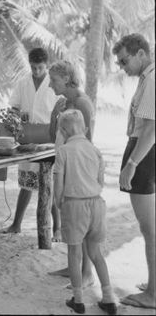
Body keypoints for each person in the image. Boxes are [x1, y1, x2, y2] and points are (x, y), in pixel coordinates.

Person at [53, 109, 117, 315]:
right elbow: (100, 181)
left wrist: (59, 202)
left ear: (63, 130)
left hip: (75, 205)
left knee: (74, 253)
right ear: (85, 129)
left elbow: (58, 181)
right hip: (97, 204)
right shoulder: (95, 150)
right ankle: (108, 298)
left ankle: (78, 299)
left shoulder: (63, 151)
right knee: (96, 253)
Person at [0, 48, 59, 237]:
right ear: (29, 64)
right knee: (26, 182)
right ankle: (16, 224)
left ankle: (57, 227)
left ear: (46, 65)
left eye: (40, 67)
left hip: (48, 137)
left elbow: (60, 109)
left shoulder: (53, 83)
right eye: (33, 67)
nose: (37, 71)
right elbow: (13, 107)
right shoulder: (23, 82)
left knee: (49, 183)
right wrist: (16, 115)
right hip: (27, 135)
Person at [112, 34, 155, 310]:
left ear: (141, 54)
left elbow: (152, 128)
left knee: (149, 228)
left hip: (144, 153)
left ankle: (153, 294)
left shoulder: (151, 79)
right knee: (151, 226)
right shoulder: (147, 77)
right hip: (145, 152)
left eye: (124, 60)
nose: (122, 66)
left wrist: (131, 164)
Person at [47, 60, 95, 289]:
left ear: (66, 79)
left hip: (78, 171)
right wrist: (53, 114)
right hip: (64, 167)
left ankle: (87, 273)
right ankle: (72, 267)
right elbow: (52, 136)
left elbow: (88, 143)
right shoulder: (65, 104)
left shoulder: (83, 103)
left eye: (53, 80)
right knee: (70, 222)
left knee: (82, 224)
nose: (49, 84)